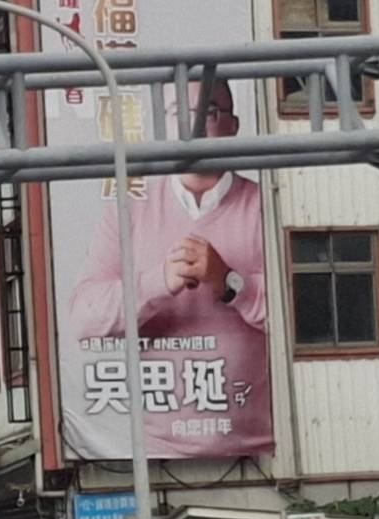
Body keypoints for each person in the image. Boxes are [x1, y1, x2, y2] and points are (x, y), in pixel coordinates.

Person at [66, 80, 273, 458]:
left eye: (208, 112)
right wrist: (157, 282)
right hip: (156, 456)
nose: (193, 126)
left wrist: (230, 282)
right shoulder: (128, 211)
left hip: (263, 448)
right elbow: (83, 318)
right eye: (179, 113)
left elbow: (302, 321)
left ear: (233, 126)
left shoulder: (267, 207)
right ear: (162, 126)